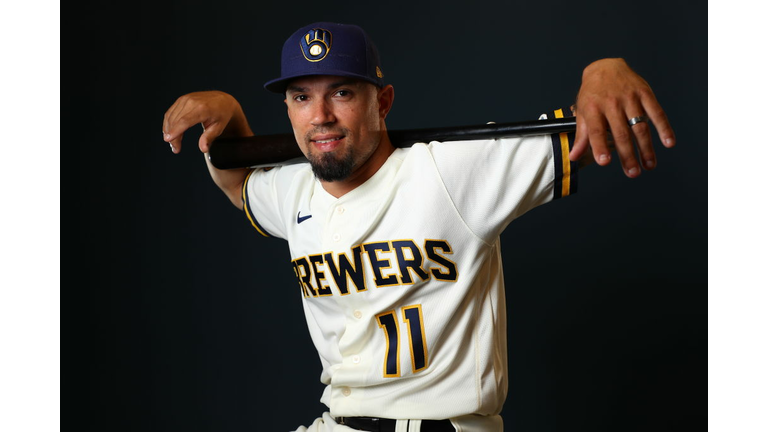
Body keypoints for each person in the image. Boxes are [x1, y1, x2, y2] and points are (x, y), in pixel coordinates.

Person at [162, 22, 675, 432]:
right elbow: (236, 182)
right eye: (301, 97)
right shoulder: (293, 191)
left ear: (381, 103)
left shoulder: (450, 172)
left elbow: (590, 130)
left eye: (341, 92)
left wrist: (604, 69)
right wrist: (230, 116)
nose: (319, 116)